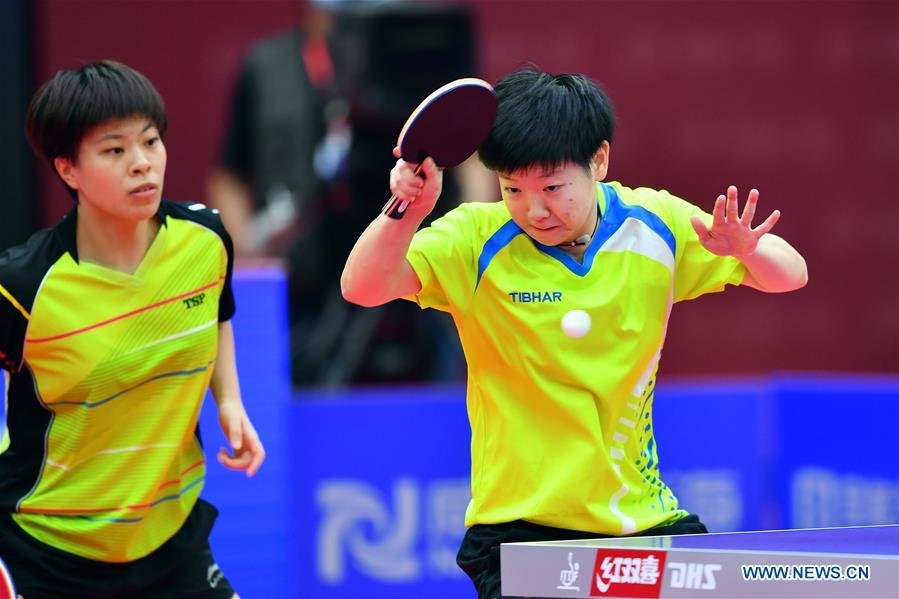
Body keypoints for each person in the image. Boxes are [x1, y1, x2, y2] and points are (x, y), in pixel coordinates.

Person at [341, 67, 808, 598]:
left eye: (553, 187)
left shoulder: (653, 223)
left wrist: (747, 250)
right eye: (513, 188)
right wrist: (407, 213)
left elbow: (791, 276)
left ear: (600, 161)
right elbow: (363, 288)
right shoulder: (475, 239)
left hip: (640, 522)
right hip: (521, 533)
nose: (534, 209)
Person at [0, 61, 265, 598]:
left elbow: (216, 315)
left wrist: (229, 400)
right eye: (115, 150)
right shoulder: (24, 285)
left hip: (171, 538)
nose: (142, 164)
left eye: (150, 141)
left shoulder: (205, 239)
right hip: (51, 554)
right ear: (68, 169)